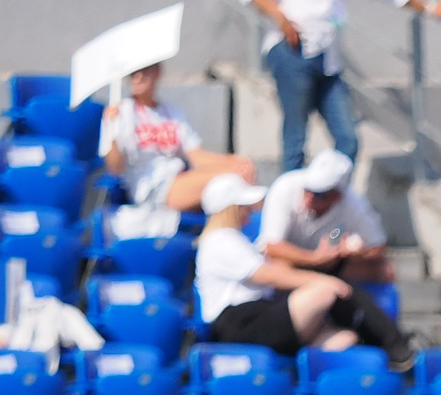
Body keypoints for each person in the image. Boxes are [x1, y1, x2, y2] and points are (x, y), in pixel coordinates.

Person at [234, 0, 441, 173]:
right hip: (294, 51)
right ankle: (292, 204)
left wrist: (430, 7)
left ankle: (330, 203)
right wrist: (280, 16)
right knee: (296, 140)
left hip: (329, 58)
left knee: (348, 140)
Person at [194, 174, 414, 367]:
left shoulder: (236, 239)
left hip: (260, 315)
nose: (249, 210)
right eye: (243, 205)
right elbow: (268, 275)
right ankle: (394, 347)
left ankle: (303, 390)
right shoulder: (220, 240)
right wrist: (322, 280)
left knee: (343, 339)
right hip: (239, 322)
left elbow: (271, 270)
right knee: (325, 292)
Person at [100, 63, 257, 217]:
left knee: (239, 172)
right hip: (152, 188)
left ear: (157, 72)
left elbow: (197, 157)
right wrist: (112, 134)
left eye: (143, 70)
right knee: (231, 181)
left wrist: (232, 161)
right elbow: (115, 168)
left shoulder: (172, 112)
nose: (137, 77)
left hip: (179, 176)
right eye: (133, 73)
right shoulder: (121, 112)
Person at [256, 149, 394, 288]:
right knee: (278, 265)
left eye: (318, 194)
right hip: (293, 259)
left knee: (383, 270)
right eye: (307, 189)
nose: (309, 198)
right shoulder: (284, 188)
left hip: (331, 260)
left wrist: (354, 253)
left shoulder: (354, 204)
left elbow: (378, 246)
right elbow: (271, 246)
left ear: (337, 196)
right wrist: (314, 258)